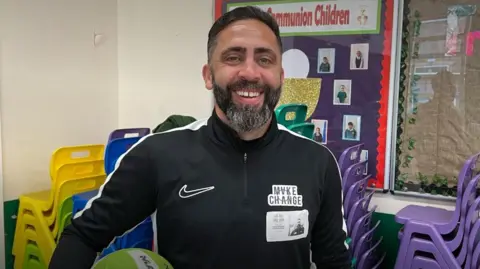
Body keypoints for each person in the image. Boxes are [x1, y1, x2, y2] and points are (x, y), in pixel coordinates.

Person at [49, 6, 350, 269]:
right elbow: (83, 235)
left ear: (281, 77)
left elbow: (333, 261)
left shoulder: (317, 162)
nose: (250, 72)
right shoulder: (159, 153)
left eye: (265, 59)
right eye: (233, 57)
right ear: (208, 75)